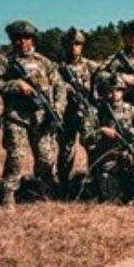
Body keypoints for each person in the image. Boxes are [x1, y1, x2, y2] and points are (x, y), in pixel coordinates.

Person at [0, 20, 67, 205]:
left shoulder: (44, 62)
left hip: (42, 117)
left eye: (26, 38)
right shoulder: (5, 61)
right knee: (16, 157)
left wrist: (58, 108)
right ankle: (8, 195)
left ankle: (45, 192)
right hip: (16, 117)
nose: (22, 42)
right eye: (17, 38)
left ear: (33, 39)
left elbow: (60, 86)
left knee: (45, 157)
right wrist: (16, 85)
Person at [83, 72, 134, 206]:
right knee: (113, 199)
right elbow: (84, 138)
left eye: (117, 90)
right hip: (108, 160)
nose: (113, 94)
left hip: (131, 154)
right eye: (110, 91)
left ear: (123, 92)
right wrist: (101, 132)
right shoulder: (95, 112)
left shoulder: (133, 112)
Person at [56, 27, 99, 195]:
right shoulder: (57, 68)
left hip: (87, 112)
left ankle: (94, 182)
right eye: (70, 44)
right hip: (66, 114)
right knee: (66, 149)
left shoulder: (91, 66)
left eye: (77, 44)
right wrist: (64, 87)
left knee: (92, 146)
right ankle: (63, 185)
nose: (74, 48)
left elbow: (104, 82)